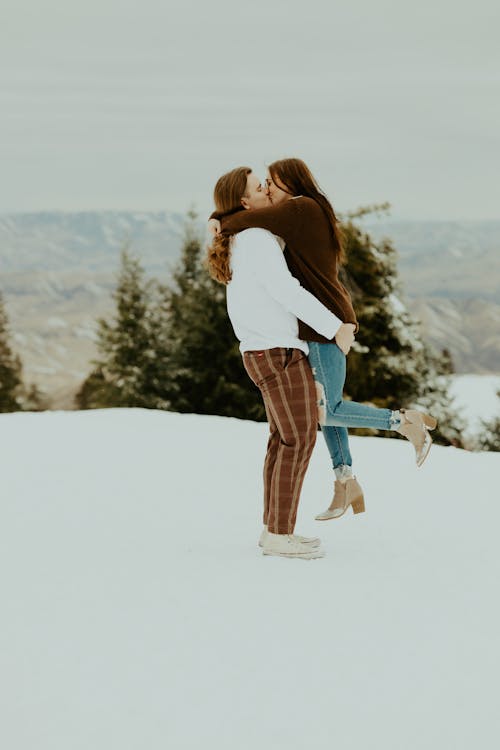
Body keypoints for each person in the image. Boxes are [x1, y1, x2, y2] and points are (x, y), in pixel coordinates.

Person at [209, 158, 437, 521]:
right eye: (263, 184)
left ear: (293, 183)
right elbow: (250, 219)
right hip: (321, 320)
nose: (269, 188)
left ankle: (405, 422)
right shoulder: (299, 212)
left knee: (325, 409)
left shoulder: (301, 207)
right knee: (325, 406)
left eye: (273, 182)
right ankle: (345, 480)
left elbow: (245, 219)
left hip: (324, 323)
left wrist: (220, 220)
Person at [206, 166, 356, 559]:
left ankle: (275, 529)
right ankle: (279, 534)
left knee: (283, 439)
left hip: (261, 351)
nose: (266, 190)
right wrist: (335, 326)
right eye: (260, 187)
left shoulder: (244, 236)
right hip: (277, 351)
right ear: (244, 202)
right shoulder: (255, 238)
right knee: (298, 439)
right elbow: (285, 289)